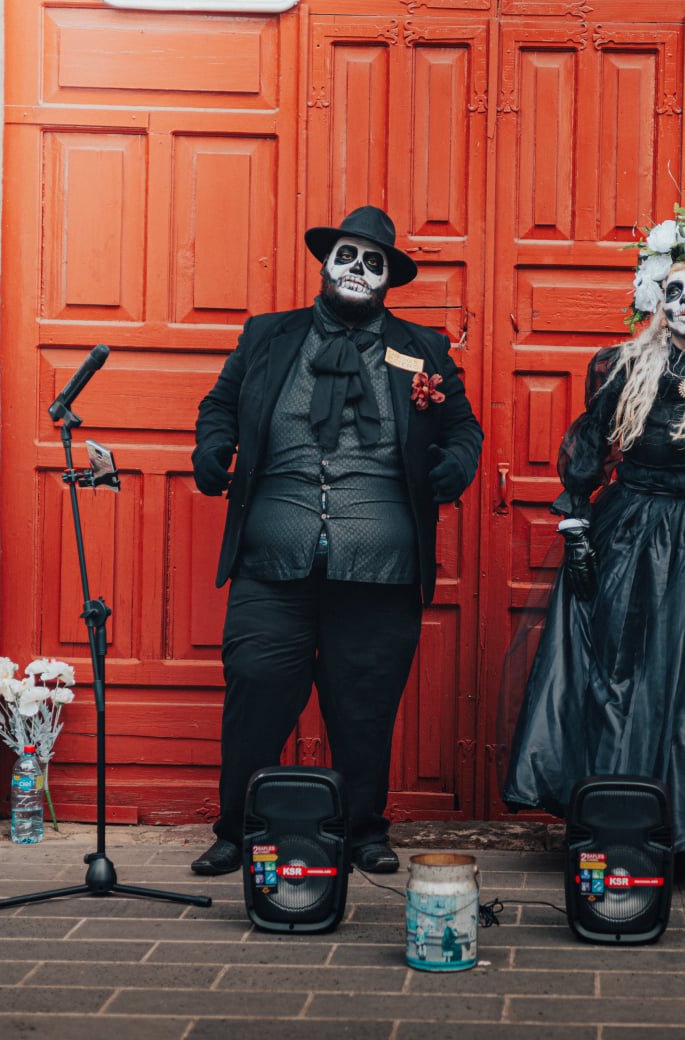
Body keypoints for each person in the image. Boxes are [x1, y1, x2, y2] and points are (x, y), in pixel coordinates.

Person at [501, 213, 685, 885]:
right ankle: (616, 823)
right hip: (632, 533)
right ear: (657, 301)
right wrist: (577, 525)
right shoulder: (622, 366)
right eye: (675, 292)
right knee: (621, 675)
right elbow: (589, 448)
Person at [190, 205, 483, 875]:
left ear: (387, 279)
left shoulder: (424, 349)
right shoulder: (268, 336)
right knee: (256, 689)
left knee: (365, 704)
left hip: (379, 563)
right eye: (346, 256)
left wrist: (456, 464)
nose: (357, 269)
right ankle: (238, 829)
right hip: (273, 555)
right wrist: (212, 448)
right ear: (325, 265)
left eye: (372, 262)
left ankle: (364, 833)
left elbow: (463, 427)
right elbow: (219, 405)